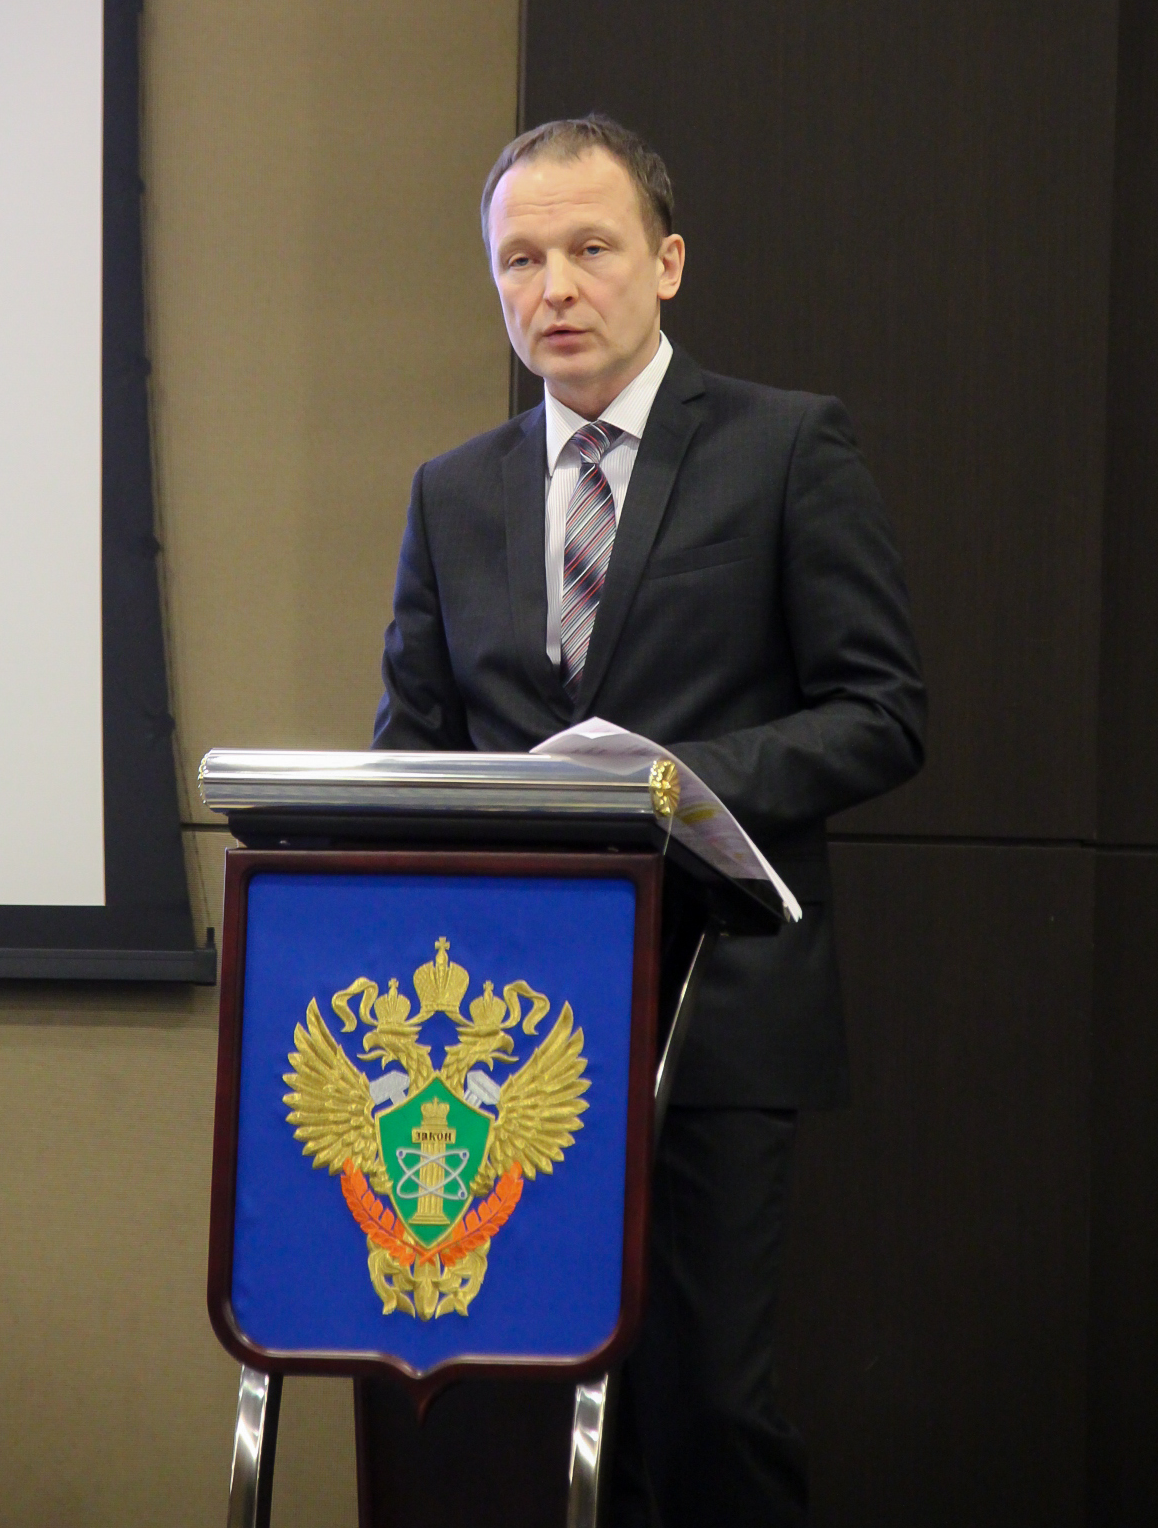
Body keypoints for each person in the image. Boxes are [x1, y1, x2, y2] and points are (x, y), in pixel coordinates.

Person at [374, 115, 925, 1525]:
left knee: (706, 1405)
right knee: (518, 1401)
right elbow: (411, 754)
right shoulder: (452, 491)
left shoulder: (785, 446)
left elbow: (881, 713)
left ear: (667, 262)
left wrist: (667, 779)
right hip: (504, 1032)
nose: (553, 288)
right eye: (519, 260)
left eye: (589, 250)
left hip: (718, 1003)